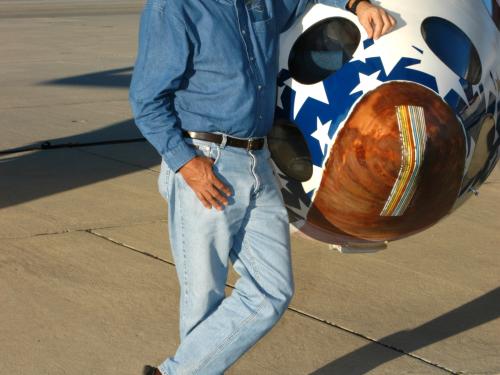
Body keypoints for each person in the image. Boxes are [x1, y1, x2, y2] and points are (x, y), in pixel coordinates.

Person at [129, 1, 395, 374]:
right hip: (206, 161)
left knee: (273, 289)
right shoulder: (175, 8)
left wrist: (356, 3)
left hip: (258, 159)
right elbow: (146, 100)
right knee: (203, 298)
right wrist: (187, 164)